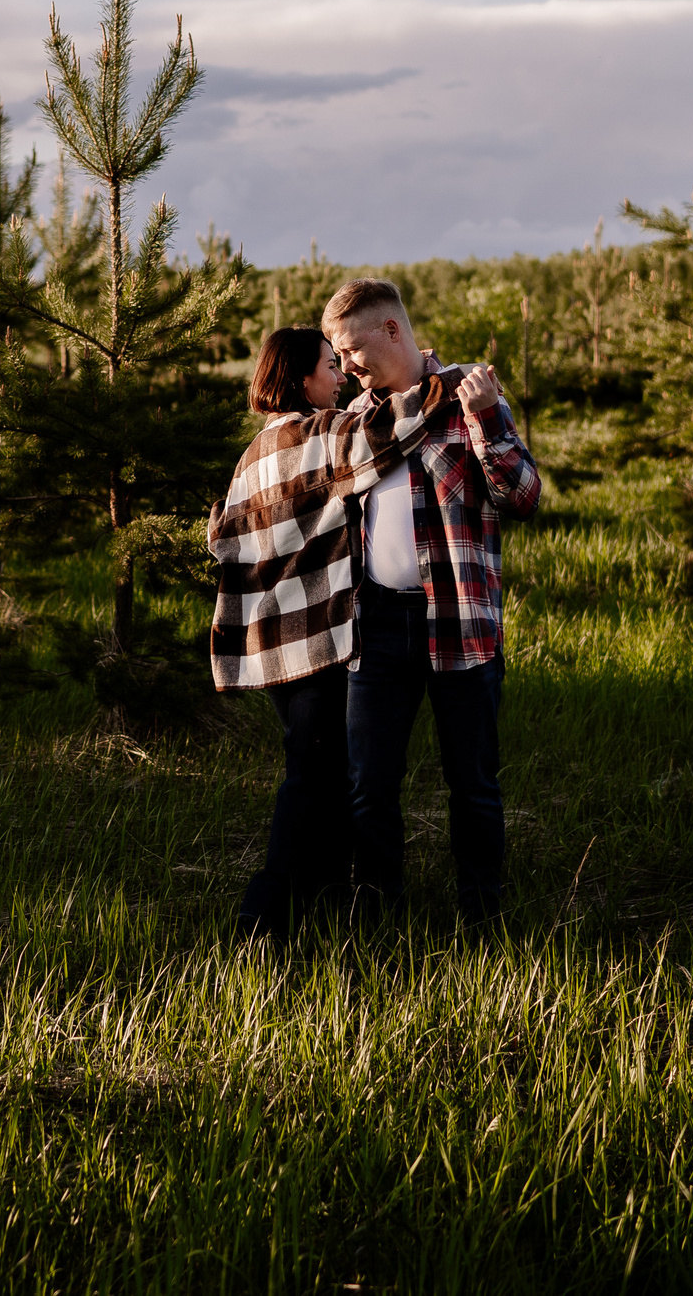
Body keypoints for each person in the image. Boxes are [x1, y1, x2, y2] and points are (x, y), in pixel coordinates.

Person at [210, 325, 504, 939]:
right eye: (329, 364)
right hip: (313, 639)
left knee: (328, 772)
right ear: (301, 379)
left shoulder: (254, 452)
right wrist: (451, 378)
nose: (340, 375)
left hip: (270, 642)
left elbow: (221, 536)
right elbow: (391, 426)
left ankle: (324, 898)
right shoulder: (319, 434)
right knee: (313, 780)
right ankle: (264, 914)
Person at [322, 277, 540, 930]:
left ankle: (481, 917)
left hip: (459, 619)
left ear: (392, 330)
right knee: (369, 782)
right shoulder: (357, 421)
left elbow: (523, 496)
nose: (346, 366)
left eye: (352, 349)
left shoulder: (468, 395)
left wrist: (488, 419)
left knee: (472, 783)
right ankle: (377, 914)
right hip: (376, 622)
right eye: (337, 355)